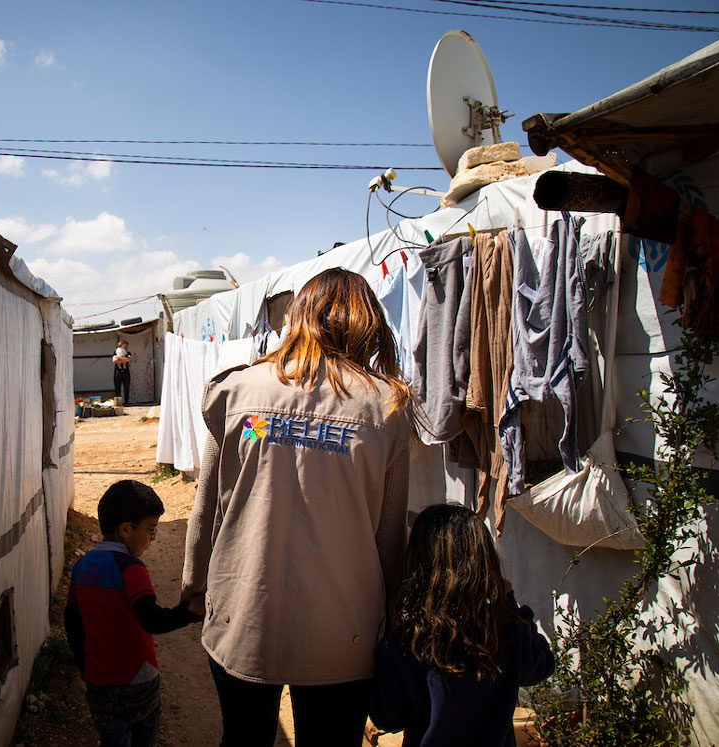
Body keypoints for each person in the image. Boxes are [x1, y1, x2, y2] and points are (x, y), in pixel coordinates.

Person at [181, 268, 416, 747]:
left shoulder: (237, 391)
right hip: (344, 631)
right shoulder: (387, 406)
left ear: (298, 317)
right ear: (364, 323)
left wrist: (193, 583)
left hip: (243, 614)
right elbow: (390, 537)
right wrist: (394, 615)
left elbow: (207, 509)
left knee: (244, 739)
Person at [369, 503, 555, 747]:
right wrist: (507, 604)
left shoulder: (407, 641)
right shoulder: (504, 632)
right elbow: (542, 665)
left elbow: (388, 717)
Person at [66, 480, 202, 747]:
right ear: (126, 529)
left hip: (98, 684)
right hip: (138, 681)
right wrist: (189, 612)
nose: (152, 538)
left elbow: (72, 623)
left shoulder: (81, 567)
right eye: (151, 530)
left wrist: (84, 665)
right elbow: (151, 619)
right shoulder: (131, 569)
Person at [113, 339, 132, 403]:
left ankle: (127, 402)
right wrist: (123, 359)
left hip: (126, 372)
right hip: (118, 372)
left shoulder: (128, 353)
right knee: (117, 387)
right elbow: (114, 360)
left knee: (126, 387)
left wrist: (119, 359)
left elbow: (128, 360)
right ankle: (118, 402)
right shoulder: (116, 352)